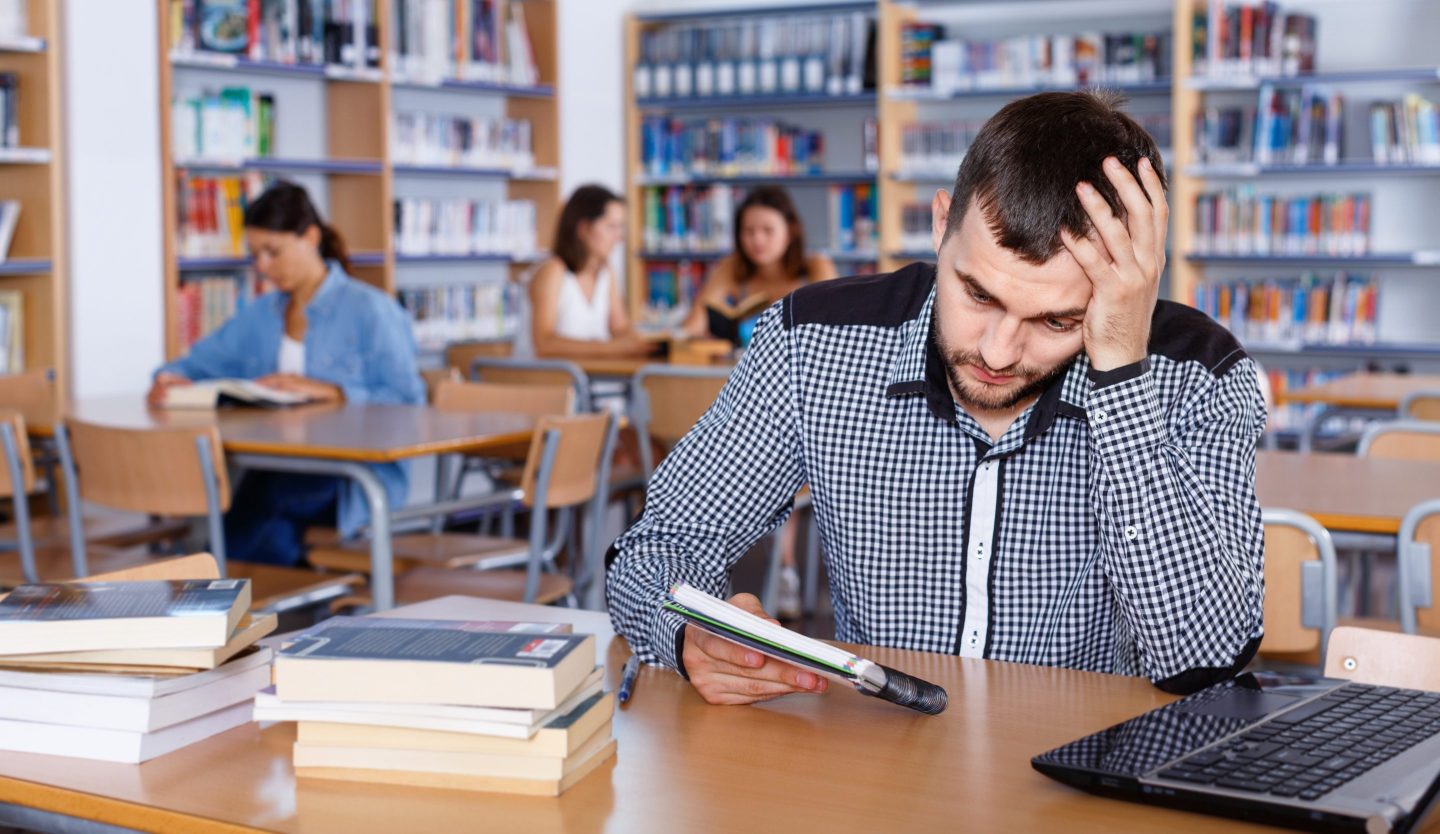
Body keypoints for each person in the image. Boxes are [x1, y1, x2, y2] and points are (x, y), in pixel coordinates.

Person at [608, 91, 1266, 706]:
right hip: (881, 768)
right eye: (978, 294)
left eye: (1058, 321)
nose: (1000, 351)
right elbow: (658, 545)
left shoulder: (1200, 376)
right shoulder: (812, 344)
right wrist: (689, 634)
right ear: (942, 224)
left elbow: (1203, 659)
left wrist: (1121, 373)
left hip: (1086, 772)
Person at [148, 181, 424, 566]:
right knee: (257, 504)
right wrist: (167, 377)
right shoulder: (262, 314)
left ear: (310, 237)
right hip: (277, 465)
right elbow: (196, 363)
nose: (261, 266)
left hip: (350, 475)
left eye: (272, 252)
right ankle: (275, 599)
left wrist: (336, 392)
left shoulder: (371, 311)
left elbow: (410, 402)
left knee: (258, 503)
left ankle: (230, 594)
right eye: (254, 254)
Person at [680, 185, 838, 340]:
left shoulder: (816, 266)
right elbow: (694, 325)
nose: (757, 240)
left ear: (789, 232)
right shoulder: (731, 267)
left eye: (768, 230)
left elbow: (834, 328)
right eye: (748, 231)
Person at [530, 184, 656, 359]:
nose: (619, 237)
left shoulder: (606, 272)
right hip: (551, 382)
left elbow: (620, 328)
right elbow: (544, 344)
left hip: (591, 378)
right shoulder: (553, 271)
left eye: (621, 227)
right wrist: (612, 348)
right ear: (584, 229)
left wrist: (647, 342)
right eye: (611, 227)